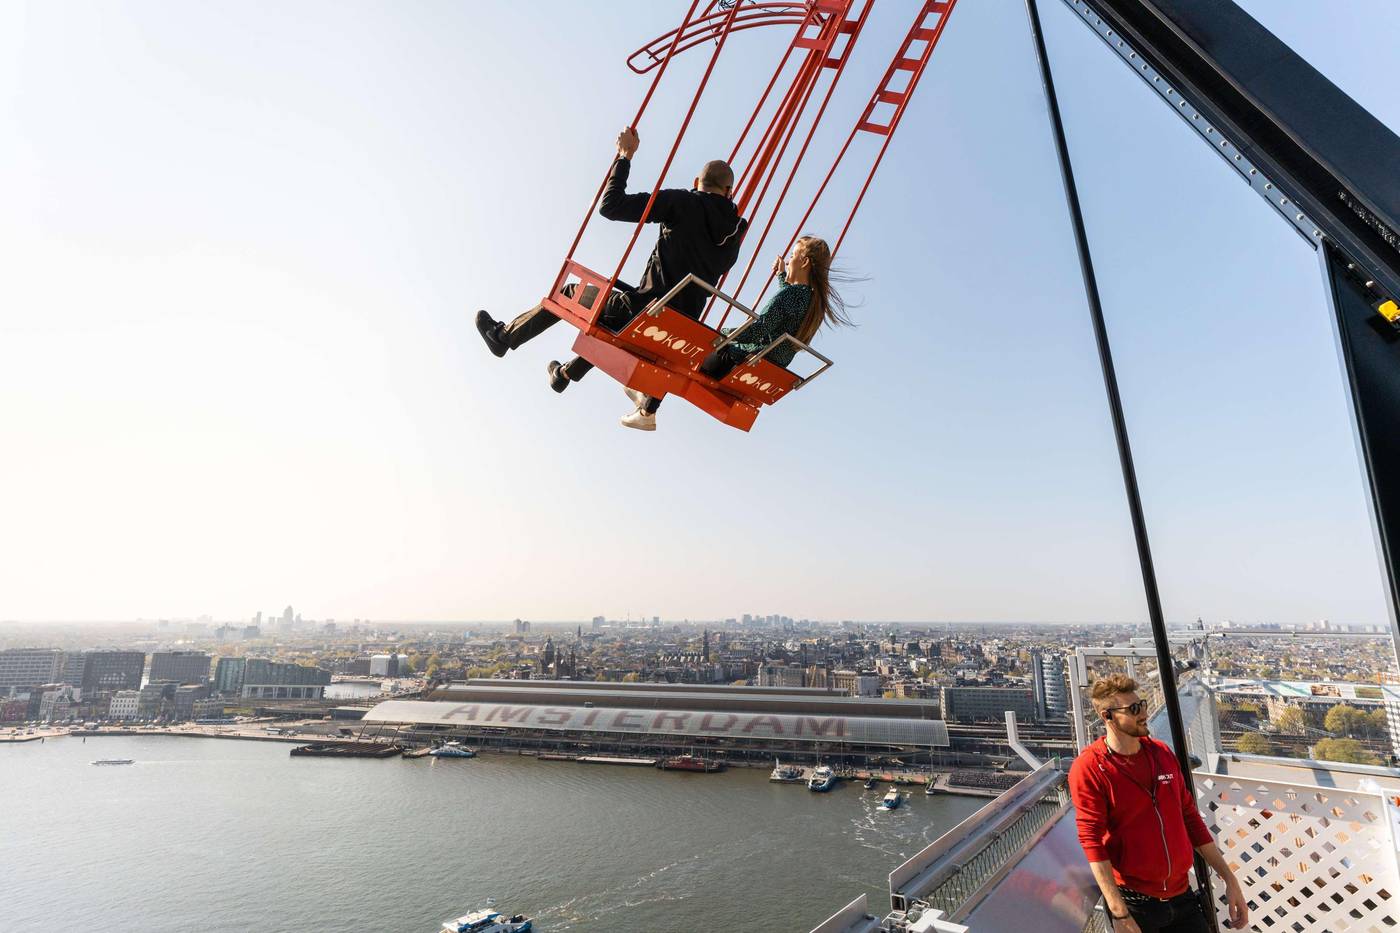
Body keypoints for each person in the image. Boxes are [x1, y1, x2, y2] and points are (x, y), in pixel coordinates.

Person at [474, 126, 748, 393]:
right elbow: (721, 266)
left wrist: (624, 156)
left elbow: (611, 207)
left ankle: (504, 337)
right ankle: (565, 373)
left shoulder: (682, 202)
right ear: (729, 192)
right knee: (618, 322)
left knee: (572, 293)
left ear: (696, 184)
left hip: (644, 312)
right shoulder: (737, 231)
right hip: (680, 332)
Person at [1069, 674, 1249, 933]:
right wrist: (1120, 914)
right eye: (1133, 709)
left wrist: (1230, 880)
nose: (1143, 713)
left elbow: (1190, 818)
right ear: (1107, 716)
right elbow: (1092, 841)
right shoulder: (1091, 768)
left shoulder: (1162, 754)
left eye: (1141, 704)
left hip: (1183, 896)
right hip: (1137, 907)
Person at [619, 235, 849, 431]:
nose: (788, 261)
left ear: (805, 261)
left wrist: (721, 334)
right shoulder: (811, 302)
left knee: (688, 347)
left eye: (792, 256)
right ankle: (646, 400)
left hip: (740, 361)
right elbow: (785, 312)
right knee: (697, 347)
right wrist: (781, 277)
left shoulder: (790, 297)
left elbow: (757, 330)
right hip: (764, 370)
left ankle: (647, 410)